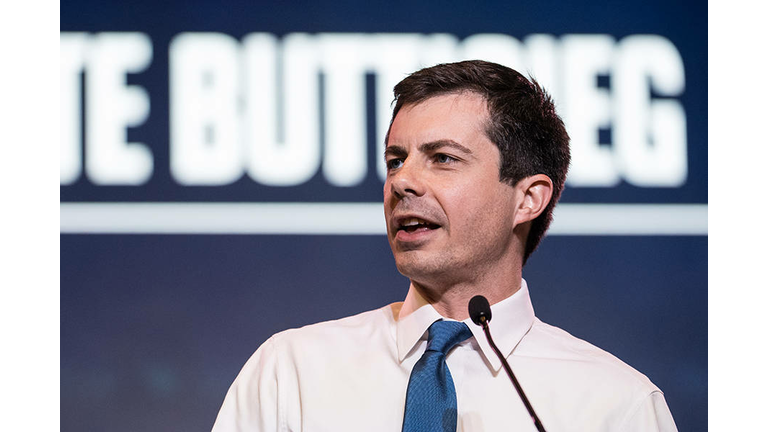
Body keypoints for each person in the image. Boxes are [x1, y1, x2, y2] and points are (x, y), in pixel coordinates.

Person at [211, 60, 677, 431]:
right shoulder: (291, 373)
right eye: (396, 160)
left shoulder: (617, 406)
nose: (403, 182)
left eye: (443, 158)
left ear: (528, 199)